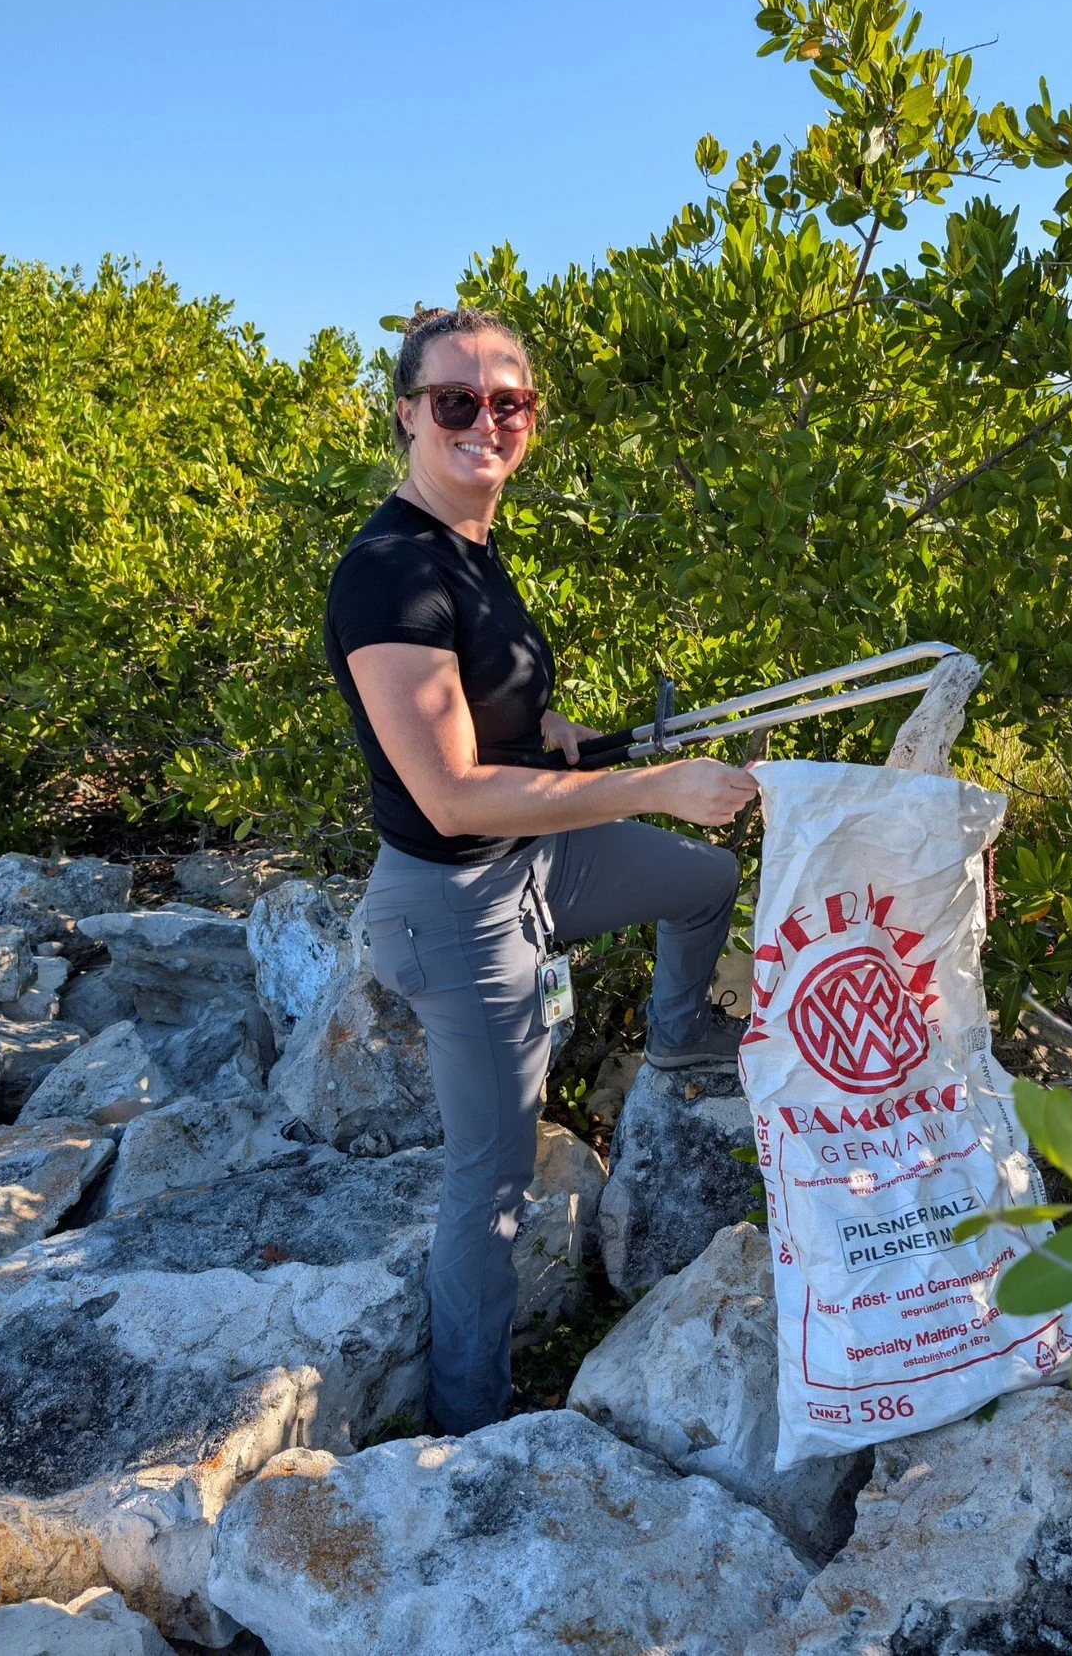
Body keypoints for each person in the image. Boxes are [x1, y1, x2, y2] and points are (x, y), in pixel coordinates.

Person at [323, 305, 759, 1435]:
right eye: (455, 401)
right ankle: (469, 1424)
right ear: (408, 414)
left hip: (539, 855)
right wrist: (653, 786)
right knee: (493, 1183)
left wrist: (548, 723)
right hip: (454, 907)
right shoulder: (386, 573)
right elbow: (453, 792)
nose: (483, 422)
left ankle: (674, 1037)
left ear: (532, 420)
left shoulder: (470, 547)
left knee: (704, 883)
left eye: (505, 402)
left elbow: (484, 699)